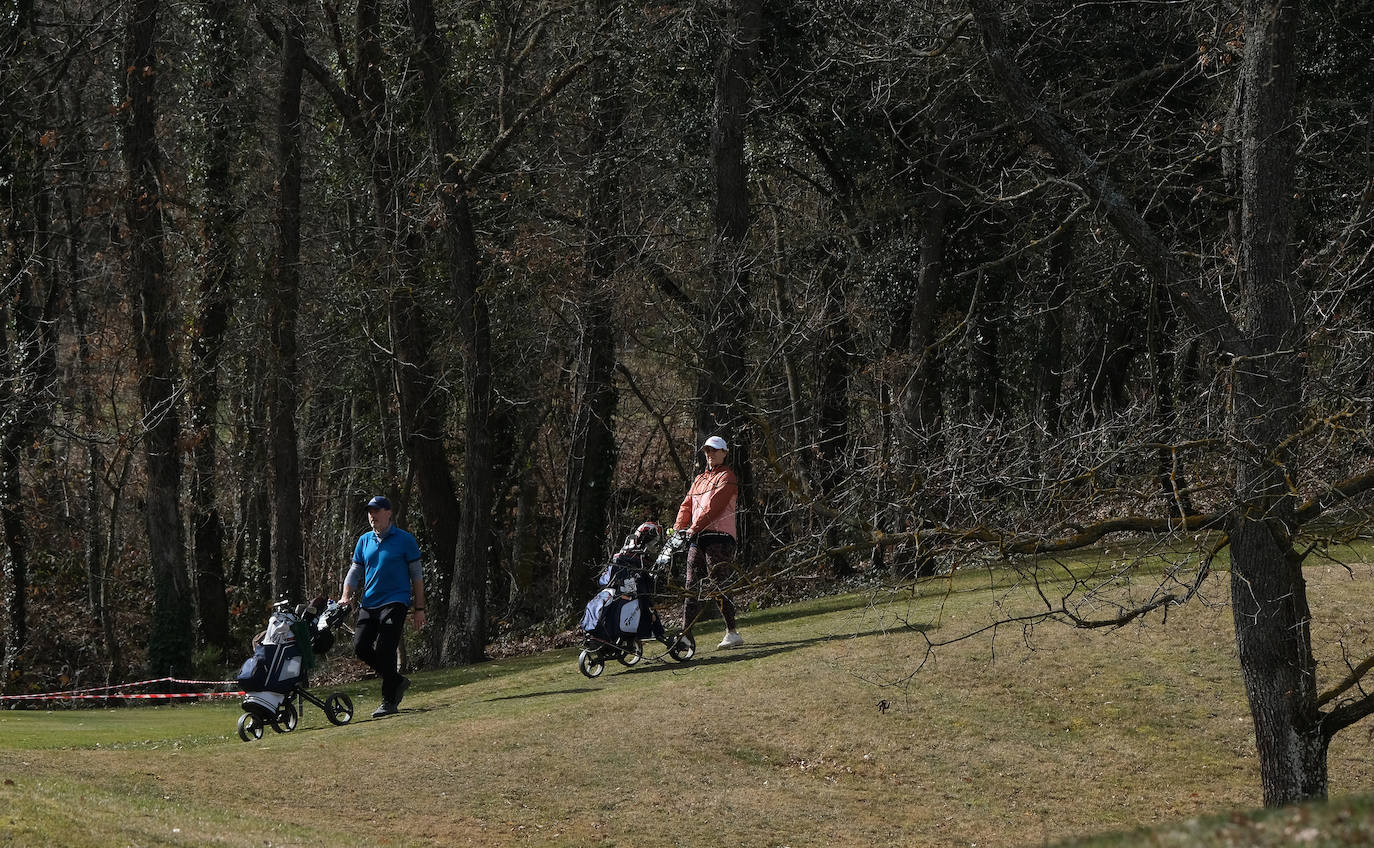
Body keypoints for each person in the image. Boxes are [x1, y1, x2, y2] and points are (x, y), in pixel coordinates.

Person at [340, 495, 426, 717]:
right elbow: (355, 571)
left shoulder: (405, 539)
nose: (372, 515)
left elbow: (416, 575)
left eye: (376, 511)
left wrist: (419, 608)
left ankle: (389, 700)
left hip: (396, 601)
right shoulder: (364, 540)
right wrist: (345, 596)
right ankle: (396, 680)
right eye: (370, 511)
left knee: (386, 648)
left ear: (388, 513)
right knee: (360, 646)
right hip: (370, 603)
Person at [673, 435, 744, 648]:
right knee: (690, 585)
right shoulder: (699, 479)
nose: (710, 454)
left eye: (714, 450)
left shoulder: (727, 477)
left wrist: (694, 527)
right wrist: (679, 528)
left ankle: (732, 632)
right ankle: (685, 634)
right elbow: (687, 505)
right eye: (707, 451)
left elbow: (715, 506)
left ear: (724, 452)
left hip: (719, 537)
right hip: (698, 537)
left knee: (718, 583)